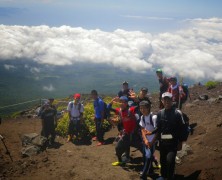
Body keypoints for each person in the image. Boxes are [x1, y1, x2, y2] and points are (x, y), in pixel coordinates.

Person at [147, 92, 187, 179]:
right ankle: (163, 176)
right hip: (163, 143)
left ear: (172, 100)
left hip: (173, 143)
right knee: (163, 161)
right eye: (164, 100)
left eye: (168, 99)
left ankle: (170, 177)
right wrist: (151, 133)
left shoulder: (177, 113)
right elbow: (158, 128)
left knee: (170, 160)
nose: (166, 102)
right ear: (162, 101)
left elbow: (183, 128)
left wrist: (181, 142)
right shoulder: (160, 113)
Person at [108, 96, 137, 166]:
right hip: (126, 133)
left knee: (144, 149)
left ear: (127, 103)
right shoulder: (119, 110)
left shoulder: (131, 110)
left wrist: (136, 99)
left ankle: (153, 161)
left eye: (124, 102)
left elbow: (139, 106)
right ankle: (123, 159)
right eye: (120, 102)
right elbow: (108, 108)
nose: (122, 103)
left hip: (135, 133)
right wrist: (112, 101)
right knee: (118, 147)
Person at [139, 101, 157, 180]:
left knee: (148, 156)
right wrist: (145, 139)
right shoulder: (142, 117)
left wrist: (151, 142)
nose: (142, 110)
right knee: (145, 156)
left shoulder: (153, 117)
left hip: (152, 141)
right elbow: (142, 129)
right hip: (145, 140)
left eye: (144, 108)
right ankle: (150, 171)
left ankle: (144, 174)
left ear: (148, 108)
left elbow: (157, 131)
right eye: (141, 108)